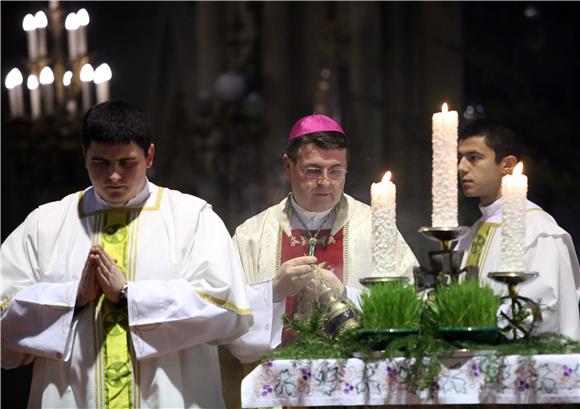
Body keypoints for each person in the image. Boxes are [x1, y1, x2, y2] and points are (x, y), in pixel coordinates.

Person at [1, 100, 253, 408]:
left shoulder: (193, 219)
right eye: (101, 163)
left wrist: (130, 295)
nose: (114, 176)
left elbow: (226, 308)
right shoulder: (45, 224)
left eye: (126, 163)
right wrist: (72, 298)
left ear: (149, 156)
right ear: (84, 156)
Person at [225, 112, 418, 363]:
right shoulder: (253, 235)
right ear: (288, 167)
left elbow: (410, 306)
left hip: (356, 384)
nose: (325, 182)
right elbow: (227, 320)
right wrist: (274, 291)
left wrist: (344, 294)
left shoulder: (375, 227)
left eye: (336, 171)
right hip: (278, 387)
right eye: (313, 170)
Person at [456, 119, 580, 340]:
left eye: (474, 158)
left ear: (508, 164)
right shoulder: (469, 235)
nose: (461, 168)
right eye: (460, 158)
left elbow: (543, 311)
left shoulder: (539, 231)